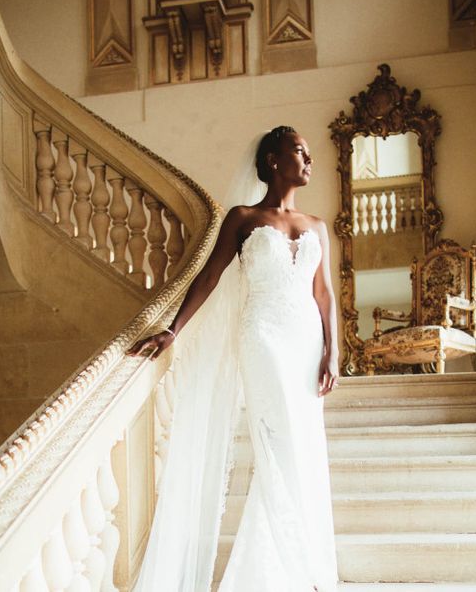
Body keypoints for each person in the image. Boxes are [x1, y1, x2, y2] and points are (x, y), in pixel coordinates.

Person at [128, 126, 340, 591]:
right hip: (261, 334)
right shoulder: (243, 218)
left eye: (309, 154)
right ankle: (294, 561)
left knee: (300, 446)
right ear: (271, 160)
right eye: (299, 152)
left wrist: (333, 350)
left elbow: (323, 293)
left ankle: (288, 564)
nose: (309, 160)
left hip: (305, 342)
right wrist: (174, 328)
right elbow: (209, 275)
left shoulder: (317, 227)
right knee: (277, 438)